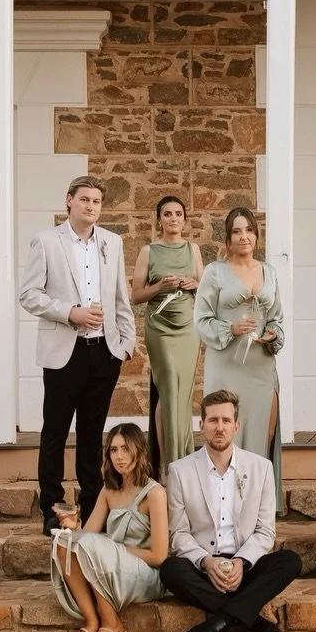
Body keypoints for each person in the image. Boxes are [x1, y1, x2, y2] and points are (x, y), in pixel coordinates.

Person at [18, 174, 135, 534]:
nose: (91, 206)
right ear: (69, 201)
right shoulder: (47, 241)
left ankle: (92, 509)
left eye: (97, 201)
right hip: (63, 353)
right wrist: (71, 312)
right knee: (54, 432)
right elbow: (29, 294)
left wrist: (126, 343)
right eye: (84, 199)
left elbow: (120, 297)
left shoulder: (112, 243)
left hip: (104, 352)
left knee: (91, 433)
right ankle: (52, 509)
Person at [158, 389, 303, 632]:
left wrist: (241, 562)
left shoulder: (261, 468)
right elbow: (179, 534)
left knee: (290, 561)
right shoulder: (180, 471)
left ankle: (217, 624)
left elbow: (265, 531)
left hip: (246, 567)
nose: (220, 428)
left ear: (237, 425)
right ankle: (257, 624)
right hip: (203, 569)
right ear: (201, 425)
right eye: (213, 421)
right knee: (170, 570)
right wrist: (207, 562)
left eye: (226, 421)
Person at [49, 422, 168, 632]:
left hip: (146, 574)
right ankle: (92, 620)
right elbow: (86, 538)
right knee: (63, 541)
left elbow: (160, 556)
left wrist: (114, 552)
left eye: (126, 449)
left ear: (139, 451)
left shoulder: (154, 493)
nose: (119, 456)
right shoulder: (108, 491)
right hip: (112, 567)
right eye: (114, 450)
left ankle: (112, 623)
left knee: (94, 546)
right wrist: (74, 526)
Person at [193, 205, 284, 494]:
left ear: (256, 235)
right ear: (228, 238)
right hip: (226, 365)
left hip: (260, 366)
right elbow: (200, 320)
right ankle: (222, 503)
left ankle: (259, 506)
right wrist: (230, 329)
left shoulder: (269, 272)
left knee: (262, 434)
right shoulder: (214, 272)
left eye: (249, 230)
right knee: (225, 432)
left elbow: (278, 318)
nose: (243, 237)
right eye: (236, 231)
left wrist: (272, 335)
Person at [131, 194, 201, 471]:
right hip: (160, 327)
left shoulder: (192, 249)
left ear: (184, 219)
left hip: (187, 327)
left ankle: (184, 460)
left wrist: (193, 283)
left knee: (182, 392)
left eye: (178, 214)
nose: (173, 218)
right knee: (169, 384)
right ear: (159, 219)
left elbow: (205, 290)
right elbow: (135, 295)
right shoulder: (149, 251)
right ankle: (167, 464)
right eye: (168, 214)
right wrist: (159, 286)